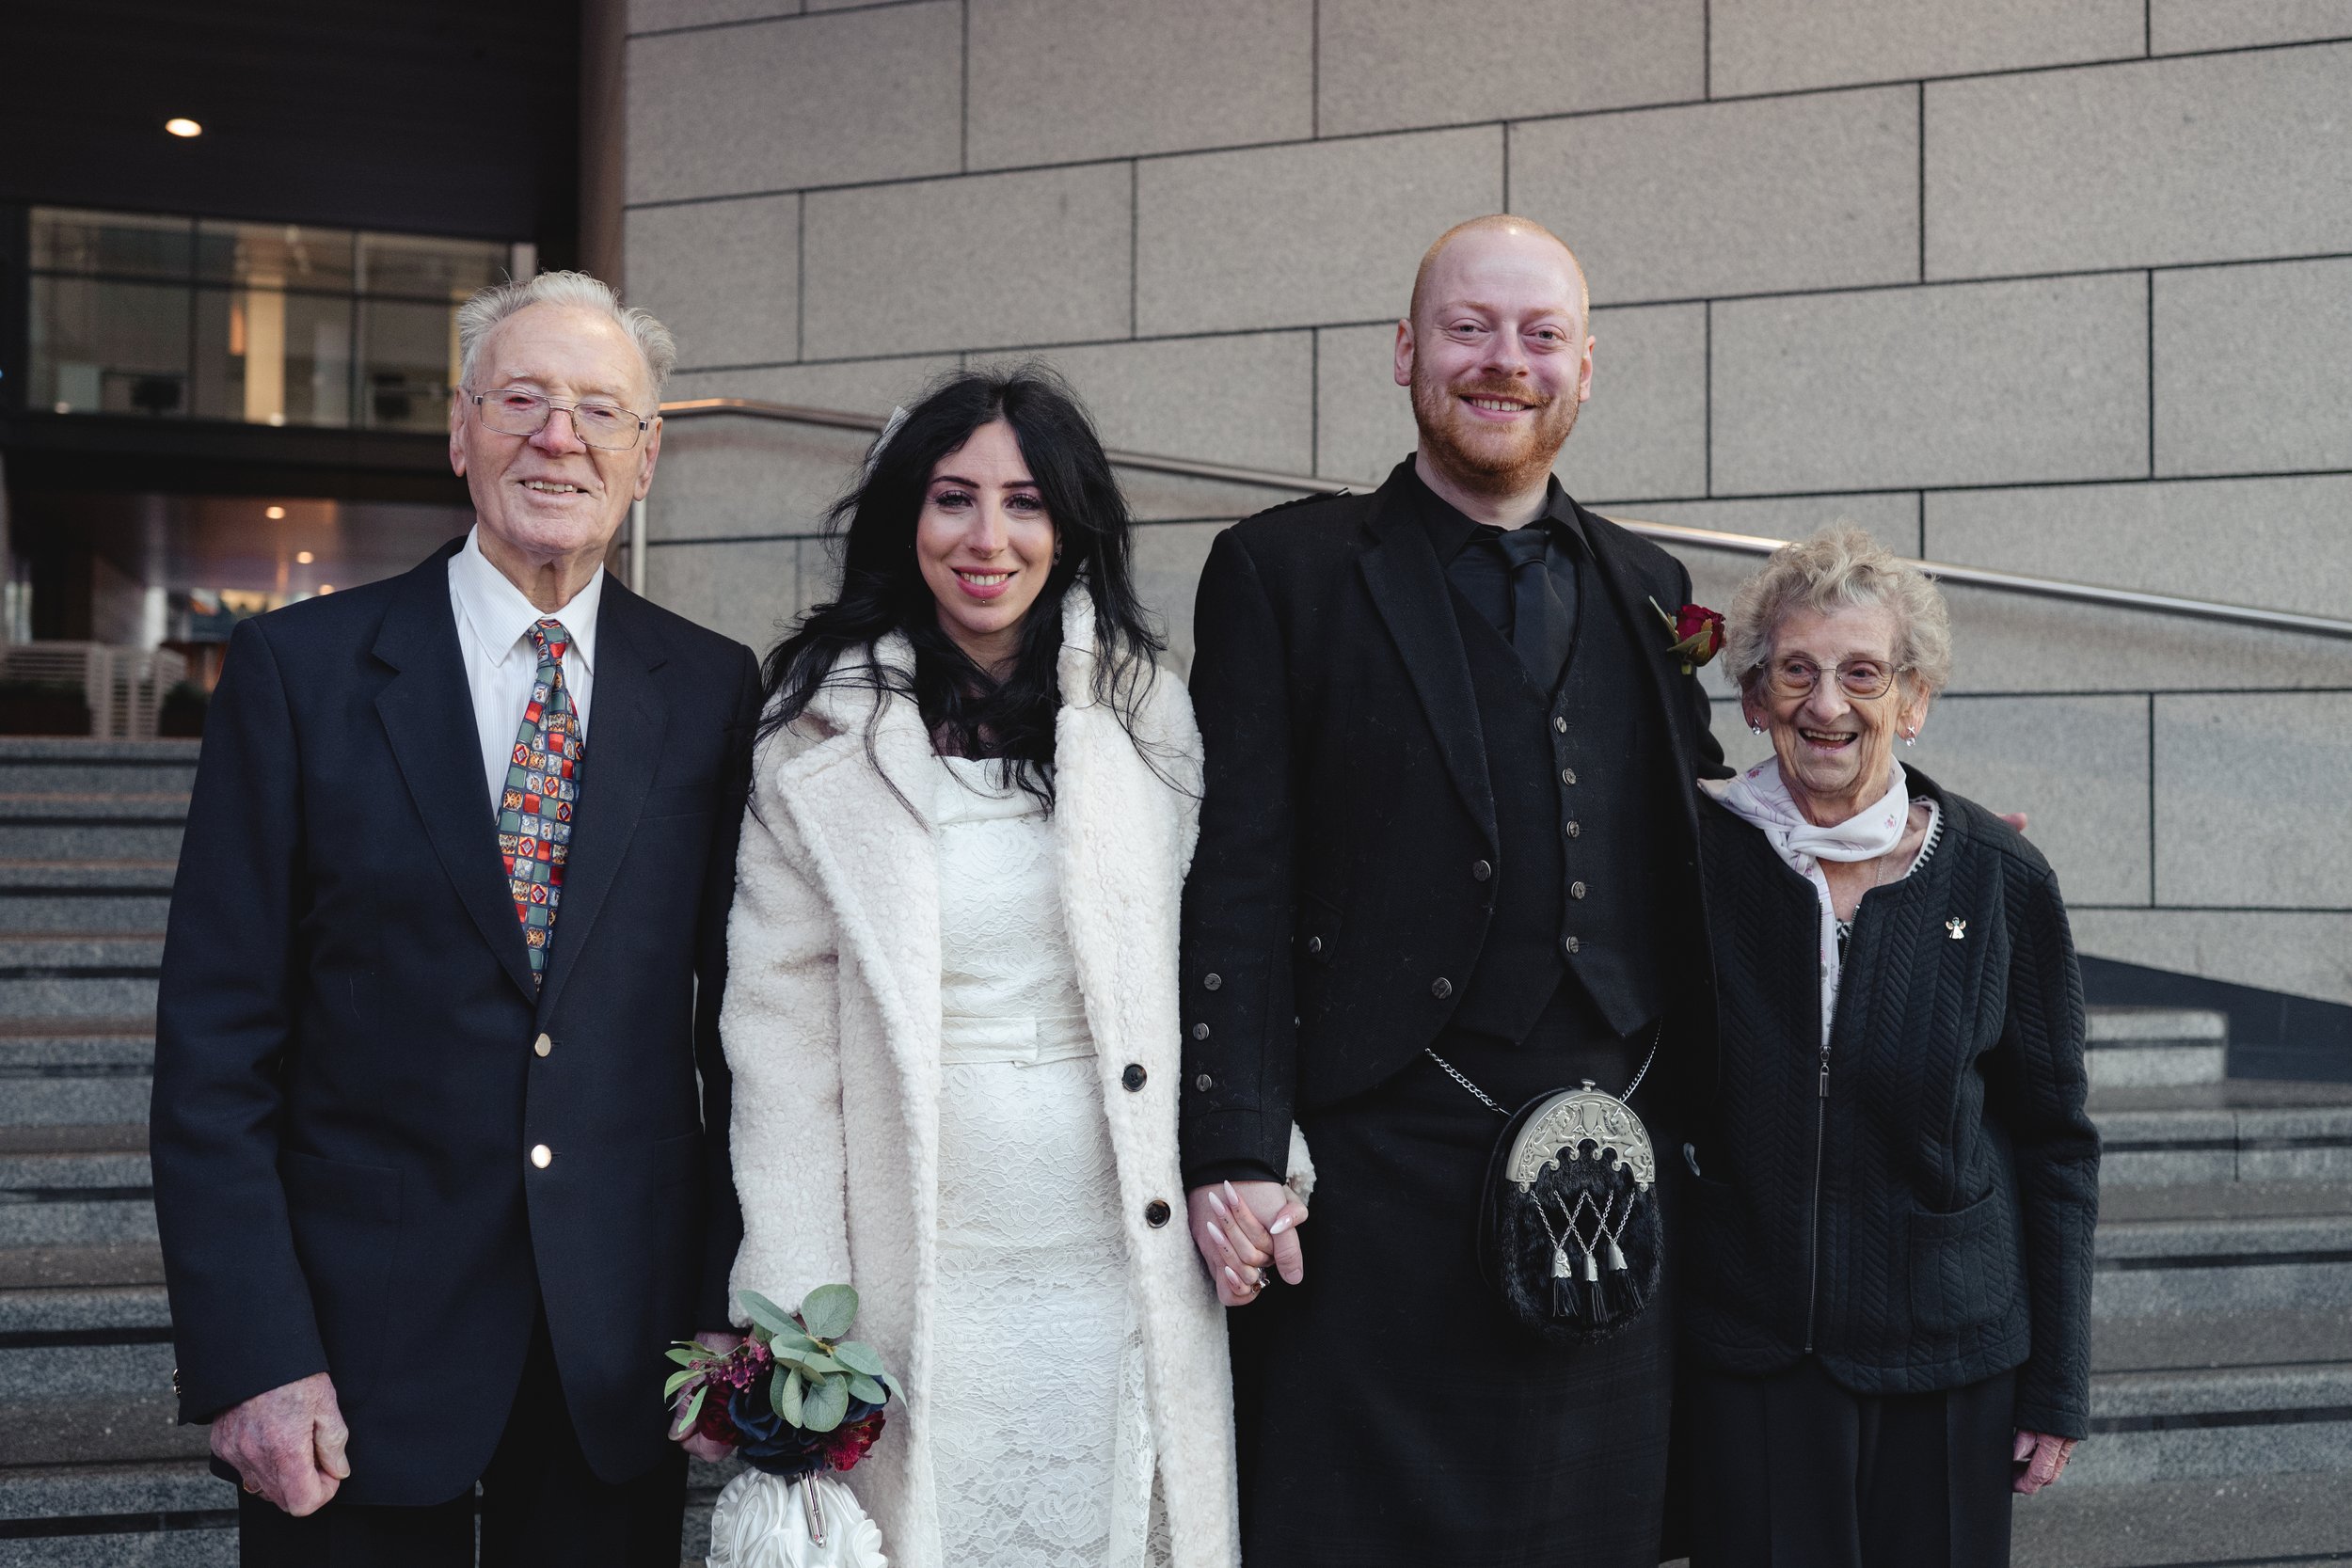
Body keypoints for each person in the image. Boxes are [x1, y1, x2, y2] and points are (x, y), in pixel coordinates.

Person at [151, 271, 761, 1565]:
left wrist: (722, 1304)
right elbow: (214, 1052)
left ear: (645, 459)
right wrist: (254, 1354)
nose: (561, 437)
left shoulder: (712, 691)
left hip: (615, 1354)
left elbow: (743, 1033)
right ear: (460, 431)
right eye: (524, 400)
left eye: (601, 411)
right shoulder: (298, 673)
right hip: (353, 1359)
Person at [1175, 214, 1725, 1565]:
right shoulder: (1283, 571)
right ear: (1406, 349)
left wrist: (1887, 837)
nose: (1504, 362)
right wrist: (1233, 1142)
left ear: (1586, 368)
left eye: (1541, 336)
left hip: (1613, 1157)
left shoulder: (1654, 590)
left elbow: (1712, 836)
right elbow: (1236, 872)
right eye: (1470, 328)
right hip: (1372, 1173)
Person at [714, 368, 1242, 1568]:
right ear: (909, 515)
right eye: (954, 498)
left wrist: (1263, 1158)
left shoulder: (1142, 709)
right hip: (918, 1265)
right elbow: (778, 1035)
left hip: (1116, 1252)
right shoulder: (818, 723)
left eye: (1024, 502)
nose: (987, 538)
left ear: (1070, 526)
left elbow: (1213, 966)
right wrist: (797, 1310)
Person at [1681, 525, 2099, 1567]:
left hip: (1952, 1359)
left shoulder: (1998, 876)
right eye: (1796, 671)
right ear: (1753, 698)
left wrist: (2056, 1380)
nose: (1826, 704)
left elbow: (2054, 1140)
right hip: (1753, 1354)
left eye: (1861, 672)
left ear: (1912, 701)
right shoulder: (1691, 861)